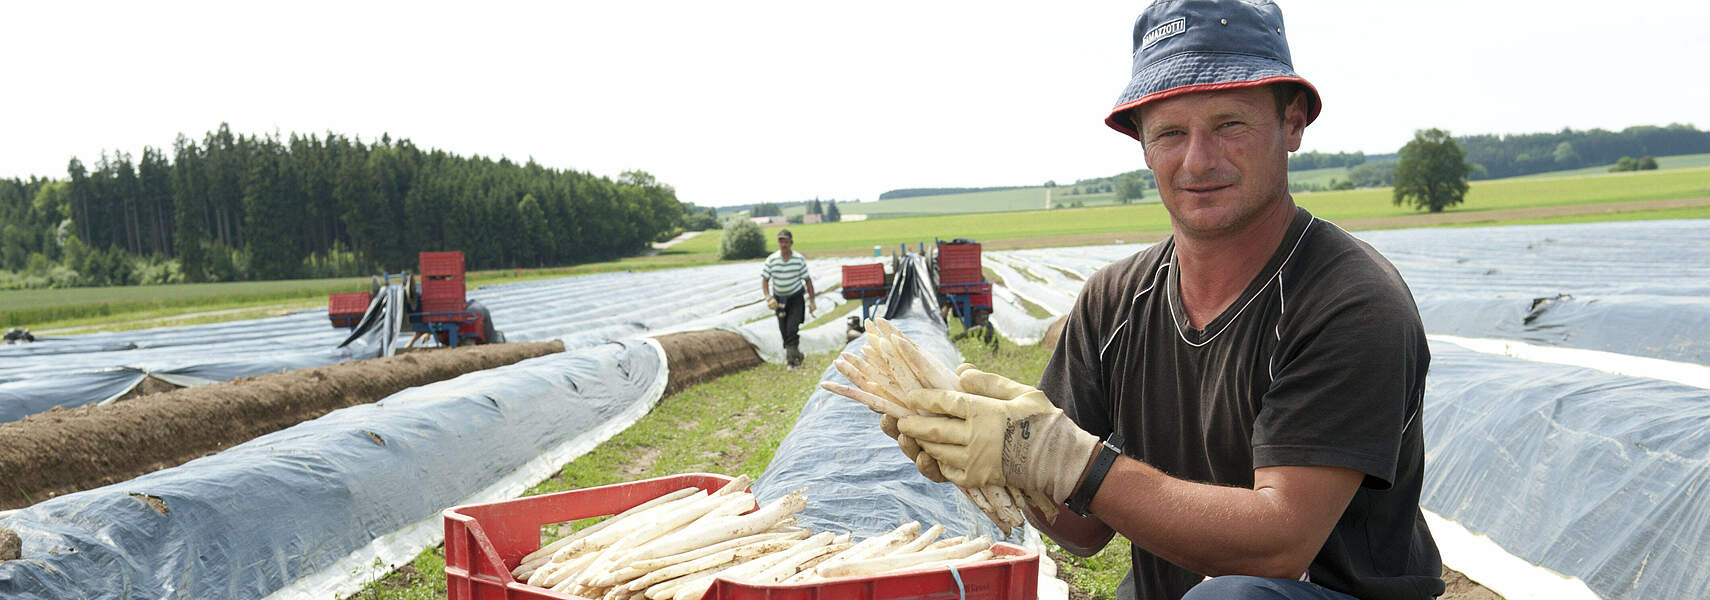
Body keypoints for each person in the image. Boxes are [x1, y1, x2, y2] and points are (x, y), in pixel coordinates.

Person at [892, 2, 1444, 599]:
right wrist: (1009, 464)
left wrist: (1075, 462)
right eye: (1172, 133)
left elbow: (1280, 545)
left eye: (1230, 125)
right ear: (1143, 145)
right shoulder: (1116, 299)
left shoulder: (1349, 302)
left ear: (1293, 124)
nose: (1198, 160)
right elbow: (1081, 528)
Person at [761, 228, 815, 367]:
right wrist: (768, 297)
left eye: (786, 241)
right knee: (784, 330)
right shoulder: (772, 260)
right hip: (779, 300)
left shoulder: (798, 259)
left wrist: (812, 301)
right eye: (781, 241)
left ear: (791, 243)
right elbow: (765, 279)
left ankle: (792, 362)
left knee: (792, 328)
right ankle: (797, 355)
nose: (783, 244)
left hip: (795, 298)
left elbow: (807, 280)